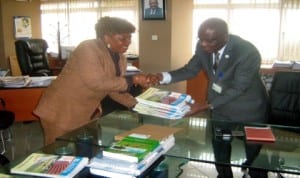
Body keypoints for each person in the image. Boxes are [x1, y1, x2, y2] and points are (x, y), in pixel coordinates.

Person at [147, 17, 269, 177]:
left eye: (209, 41)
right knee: (221, 142)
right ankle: (224, 175)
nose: (204, 44)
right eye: (201, 39)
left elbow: (239, 87)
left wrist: (205, 105)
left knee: (254, 148)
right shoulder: (203, 46)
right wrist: (161, 76)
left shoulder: (246, 52)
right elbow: (190, 70)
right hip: (221, 108)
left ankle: (255, 173)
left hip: (250, 108)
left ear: (225, 37)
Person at [34, 16, 150, 145]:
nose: (127, 42)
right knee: (60, 154)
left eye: (129, 37)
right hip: (62, 110)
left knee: (88, 151)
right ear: (106, 37)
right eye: (122, 38)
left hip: (87, 112)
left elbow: (113, 88)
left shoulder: (120, 57)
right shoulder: (88, 48)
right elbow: (96, 82)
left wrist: (137, 105)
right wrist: (133, 79)